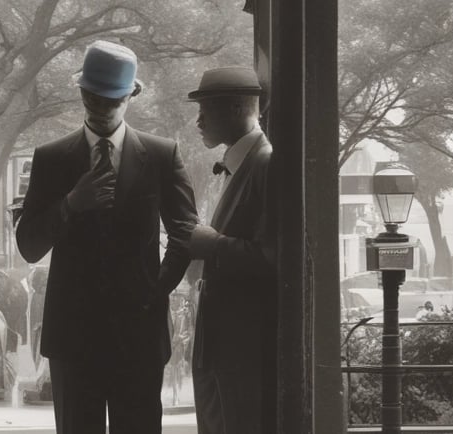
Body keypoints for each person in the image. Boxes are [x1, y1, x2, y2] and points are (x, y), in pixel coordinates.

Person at [15, 40, 197, 434]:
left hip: (140, 336)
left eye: (109, 102)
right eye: (91, 99)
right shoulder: (50, 158)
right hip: (72, 338)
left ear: (132, 94)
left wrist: (154, 291)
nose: (98, 109)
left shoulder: (162, 155)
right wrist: (70, 204)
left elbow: (185, 234)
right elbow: (28, 245)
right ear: (80, 91)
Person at [185, 66, 276, 434]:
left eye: (206, 109)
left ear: (239, 108)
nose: (198, 121)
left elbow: (273, 259)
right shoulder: (246, 165)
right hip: (219, 349)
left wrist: (211, 244)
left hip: (243, 351)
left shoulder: (266, 164)